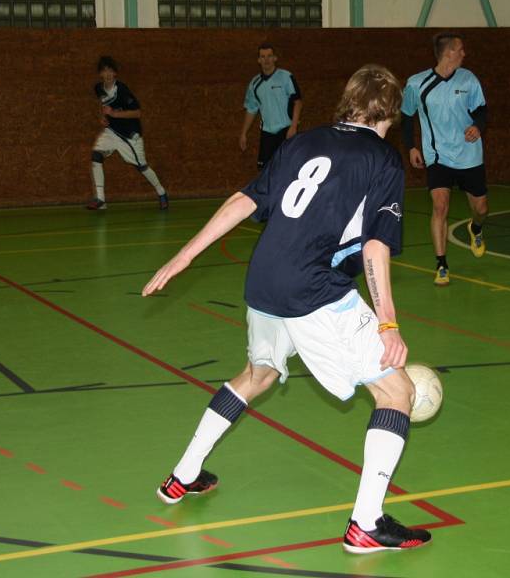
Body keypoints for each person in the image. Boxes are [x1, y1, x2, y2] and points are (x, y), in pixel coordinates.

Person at [143, 64, 431, 553]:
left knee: (257, 376)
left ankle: (183, 475)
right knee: (396, 391)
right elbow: (374, 249)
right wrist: (387, 324)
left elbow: (243, 200)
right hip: (312, 287)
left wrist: (184, 254)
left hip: (265, 279)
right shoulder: (381, 158)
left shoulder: (302, 142)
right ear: (391, 111)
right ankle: (366, 523)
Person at [401, 32, 489, 286]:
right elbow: (406, 116)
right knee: (440, 206)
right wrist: (411, 147)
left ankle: (476, 228)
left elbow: (482, 110)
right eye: (460, 49)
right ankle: (441, 264)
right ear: (448, 52)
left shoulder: (469, 79)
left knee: (481, 208)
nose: (464, 53)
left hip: (469, 154)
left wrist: (478, 126)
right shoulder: (417, 84)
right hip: (437, 155)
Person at [87, 56, 168, 210]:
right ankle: (100, 199)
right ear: (100, 74)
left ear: (115, 73)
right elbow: (103, 105)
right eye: (104, 71)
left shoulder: (122, 90)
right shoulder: (98, 88)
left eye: (110, 70)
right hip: (112, 131)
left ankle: (162, 192)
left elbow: (137, 113)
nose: (108, 74)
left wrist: (115, 114)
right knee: (96, 155)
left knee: (141, 166)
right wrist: (103, 117)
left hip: (130, 134)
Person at [239, 43, 303, 170]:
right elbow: (251, 109)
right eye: (262, 57)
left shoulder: (286, 77)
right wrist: (243, 133)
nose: (266, 60)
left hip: (286, 131)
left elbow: (298, 102)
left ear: (275, 58)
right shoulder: (255, 84)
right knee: (265, 171)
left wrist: (293, 126)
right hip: (267, 133)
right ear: (258, 60)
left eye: (269, 56)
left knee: (289, 169)